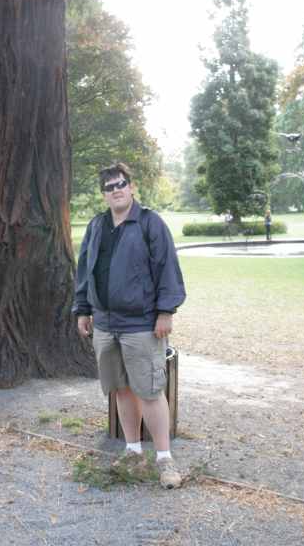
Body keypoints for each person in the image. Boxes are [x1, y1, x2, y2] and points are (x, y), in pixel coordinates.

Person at [73, 162, 186, 489]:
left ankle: (164, 458)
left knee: (150, 390)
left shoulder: (150, 223)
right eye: (109, 187)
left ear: (131, 187)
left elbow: (168, 268)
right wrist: (83, 309)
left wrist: (166, 311)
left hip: (141, 324)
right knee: (121, 388)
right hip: (106, 324)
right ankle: (133, 450)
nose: (116, 190)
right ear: (104, 194)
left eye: (121, 184)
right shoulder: (96, 226)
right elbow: (85, 270)